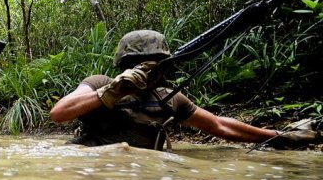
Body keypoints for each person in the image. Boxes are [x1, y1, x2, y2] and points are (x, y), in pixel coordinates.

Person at [50, 30, 321, 150]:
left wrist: (278, 136)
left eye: (157, 65)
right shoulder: (98, 82)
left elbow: (220, 126)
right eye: (140, 65)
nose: (149, 71)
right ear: (124, 65)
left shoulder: (171, 97)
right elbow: (59, 113)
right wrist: (112, 92)